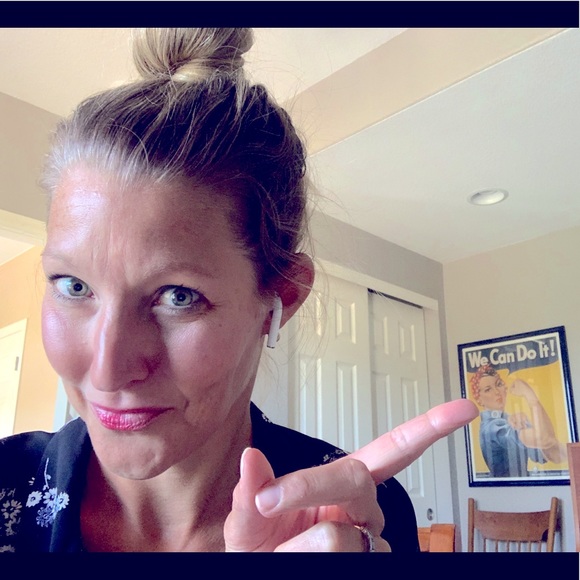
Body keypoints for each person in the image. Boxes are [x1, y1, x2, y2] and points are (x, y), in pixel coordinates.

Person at [0, 28, 477, 553]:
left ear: (280, 300)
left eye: (177, 297)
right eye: (73, 286)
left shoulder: (359, 517)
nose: (107, 370)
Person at [470, 364, 566, 478]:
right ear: (479, 399)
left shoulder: (510, 420)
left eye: (499, 384)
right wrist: (530, 396)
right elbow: (544, 439)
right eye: (488, 390)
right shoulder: (492, 427)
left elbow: (558, 455)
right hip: (507, 487)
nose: (496, 392)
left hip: (527, 486)